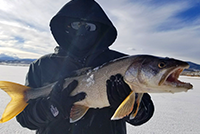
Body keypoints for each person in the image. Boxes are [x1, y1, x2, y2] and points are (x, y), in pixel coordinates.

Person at [16, 0, 154, 133]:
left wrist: (127, 105)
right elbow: (25, 119)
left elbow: (144, 114)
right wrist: (51, 108)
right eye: (76, 24)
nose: (82, 31)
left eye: (90, 27)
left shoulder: (121, 63)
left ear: (100, 30)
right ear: (65, 27)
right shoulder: (41, 65)